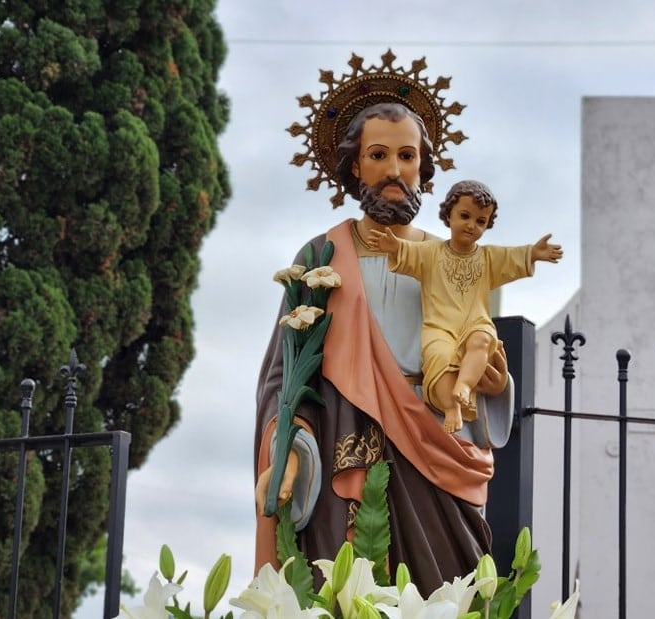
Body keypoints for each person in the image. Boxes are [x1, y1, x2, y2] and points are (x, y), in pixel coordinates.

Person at [254, 58, 516, 596]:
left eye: (407, 155)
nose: (394, 170)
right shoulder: (321, 257)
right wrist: (288, 449)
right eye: (378, 155)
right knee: (349, 590)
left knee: (446, 591)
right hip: (347, 452)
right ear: (354, 167)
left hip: (439, 451)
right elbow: (286, 377)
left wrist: (495, 386)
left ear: (424, 167)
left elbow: (481, 353)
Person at [366, 179, 562, 434]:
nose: (471, 226)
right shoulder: (431, 252)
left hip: (474, 323)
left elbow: (513, 257)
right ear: (448, 214)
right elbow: (409, 252)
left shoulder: (487, 257)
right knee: (440, 359)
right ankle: (452, 407)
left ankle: (465, 387)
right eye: (465, 216)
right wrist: (394, 247)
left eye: (480, 221)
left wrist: (533, 253)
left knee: (481, 341)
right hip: (439, 328)